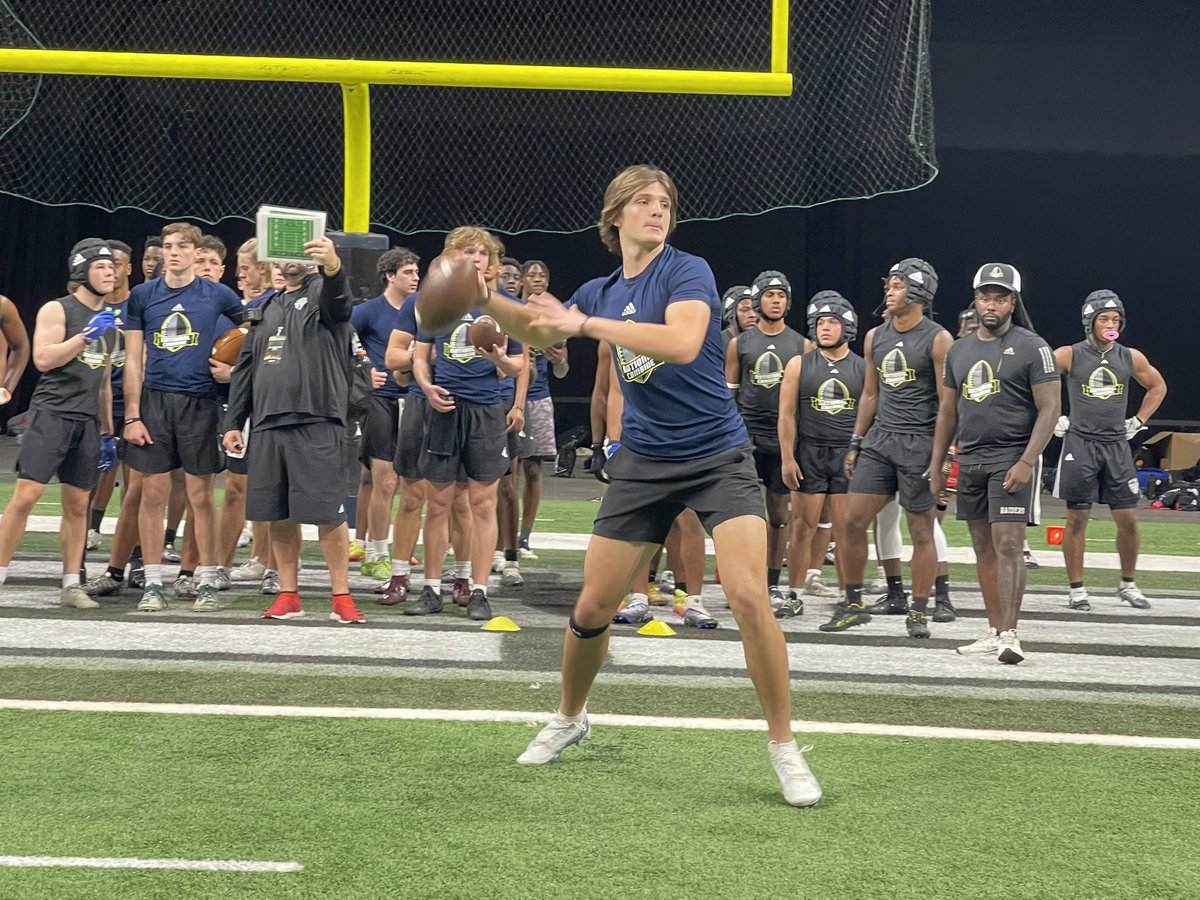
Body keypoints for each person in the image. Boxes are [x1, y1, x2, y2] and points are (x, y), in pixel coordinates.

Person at [476, 164, 821, 806]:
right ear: (616, 217)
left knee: (748, 595)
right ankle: (571, 717)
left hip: (717, 453)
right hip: (644, 459)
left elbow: (685, 342)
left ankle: (784, 747)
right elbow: (536, 329)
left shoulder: (686, 270)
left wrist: (583, 326)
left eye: (664, 202)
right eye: (642, 202)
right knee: (591, 608)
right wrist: (479, 296)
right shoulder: (602, 289)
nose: (657, 211)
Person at [223, 237, 365, 624]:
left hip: (317, 420)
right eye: (281, 258)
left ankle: (342, 596)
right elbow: (246, 369)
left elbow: (341, 301)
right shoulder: (264, 308)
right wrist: (234, 421)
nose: (288, 264)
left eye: (296, 257)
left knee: (328, 514)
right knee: (279, 513)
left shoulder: (324, 295)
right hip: (268, 423)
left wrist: (334, 267)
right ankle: (289, 593)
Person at [931, 264, 1060, 663]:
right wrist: (937, 466)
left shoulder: (1033, 345)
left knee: (1009, 544)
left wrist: (1026, 460)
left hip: (1011, 457)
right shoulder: (960, 348)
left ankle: (1010, 634)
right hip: (970, 459)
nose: (991, 304)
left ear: (1012, 302)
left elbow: (1051, 408)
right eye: (985, 297)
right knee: (982, 548)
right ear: (975, 299)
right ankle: (993, 631)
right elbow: (947, 414)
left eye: (1000, 298)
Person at [122, 222, 245, 612]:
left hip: (200, 402)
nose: (173, 252)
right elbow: (132, 360)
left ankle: (206, 579)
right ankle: (153, 584)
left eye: (181, 247)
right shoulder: (142, 296)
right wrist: (131, 415)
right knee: (152, 494)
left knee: (200, 496)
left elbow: (253, 329)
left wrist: (233, 363)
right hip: (155, 404)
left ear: (195, 253)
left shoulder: (218, 294)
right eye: (168, 246)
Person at [405, 227, 525, 621]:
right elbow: (420, 358)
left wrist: (497, 359)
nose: (475, 258)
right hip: (445, 407)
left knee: (483, 503)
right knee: (436, 503)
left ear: (491, 262)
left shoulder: (506, 307)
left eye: (481, 252)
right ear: (452, 260)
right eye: (466, 252)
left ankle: (478, 590)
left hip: (486, 410)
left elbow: (518, 366)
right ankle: (432, 588)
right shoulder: (436, 305)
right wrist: (426, 386)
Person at [828, 258, 952, 638]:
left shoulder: (938, 338)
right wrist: (855, 442)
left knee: (921, 529)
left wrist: (943, 454)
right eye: (890, 284)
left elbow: (948, 402)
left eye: (897, 285)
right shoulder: (874, 336)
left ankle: (917, 610)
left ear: (918, 292)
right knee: (850, 522)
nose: (889, 291)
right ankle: (852, 603)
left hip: (919, 442)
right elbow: (869, 394)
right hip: (880, 440)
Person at [0, 240, 117, 605]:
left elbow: (102, 384)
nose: (110, 272)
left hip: (86, 420)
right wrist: (83, 338)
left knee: (79, 504)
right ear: (82, 271)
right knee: (26, 497)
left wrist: (108, 431)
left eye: (113, 266)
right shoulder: (58, 308)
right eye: (101, 266)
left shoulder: (111, 321)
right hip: (52, 414)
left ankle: (71, 584)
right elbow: (43, 358)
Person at [1053, 290, 1167, 611]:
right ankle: (1077, 590)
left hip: (1116, 445)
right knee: (1076, 519)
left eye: (1115, 319)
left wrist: (1139, 420)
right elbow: (1035, 378)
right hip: (1080, 443)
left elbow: (1158, 387)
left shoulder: (1130, 357)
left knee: (1128, 520)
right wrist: (1051, 416)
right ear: (1090, 321)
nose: (1111, 324)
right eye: (1104, 318)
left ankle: (1128, 584)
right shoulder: (1069, 354)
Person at [776, 291, 864, 617]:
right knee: (801, 527)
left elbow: (870, 416)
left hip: (846, 455)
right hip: (809, 451)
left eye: (833, 322)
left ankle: (848, 596)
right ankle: (794, 594)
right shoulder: (799, 364)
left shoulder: (863, 368)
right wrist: (788, 457)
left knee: (844, 530)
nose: (825, 328)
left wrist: (861, 453)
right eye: (821, 322)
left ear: (848, 326)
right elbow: (785, 414)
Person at [725, 270, 807, 602]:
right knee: (742, 515)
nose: (776, 301)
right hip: (745, 437)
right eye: (770, 295)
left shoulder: (802, 344)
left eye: (781, 295)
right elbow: (728, 395)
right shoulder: (739, 343)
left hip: (783, 439)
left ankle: (771, 583)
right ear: (758, 300)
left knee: (779, 515)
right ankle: (743, 579)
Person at [351, 247, 421, 582]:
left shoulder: (423, 309)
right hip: (379, 400)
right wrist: (362, 372)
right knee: (385, 479)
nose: (415, 278)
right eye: (407, 272)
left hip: (415, 398)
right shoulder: (367, 311)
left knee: (413, 482)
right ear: (389, 276)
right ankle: (375, 551)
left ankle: (400, 550)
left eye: (417, 272)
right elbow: (342, 342)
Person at [515, 259, 567, 560]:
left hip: (538, 398)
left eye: (542, 275)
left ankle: (525, 537)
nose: (537, 279)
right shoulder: (511, 313)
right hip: (508, 398)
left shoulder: (553, 320)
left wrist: (558, 358)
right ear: (522, 280)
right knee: (506, 472)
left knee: (533, 469)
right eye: (531, 274)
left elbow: (562, 371)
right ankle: (503, 539)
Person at [720, 285, 756, 351]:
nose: (753, 315)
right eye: (745, 310)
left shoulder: (763, 341)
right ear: (731, 314)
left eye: (756, 310)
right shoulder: (716, 342)